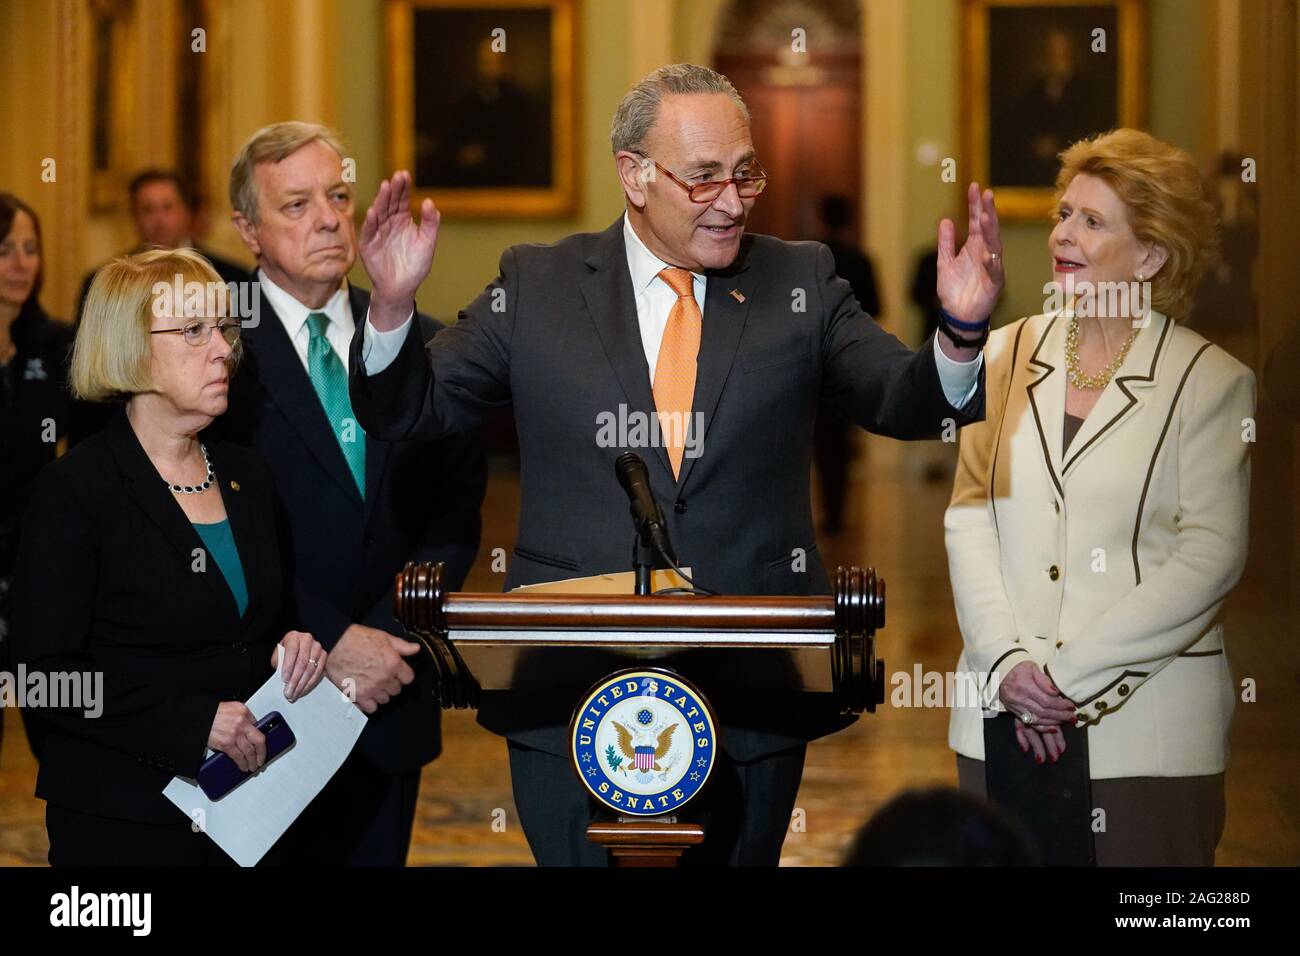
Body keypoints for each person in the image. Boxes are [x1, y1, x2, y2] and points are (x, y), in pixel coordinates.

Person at [351, 63, 1004, 866]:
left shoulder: (799, 280)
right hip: (570, 696)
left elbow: (905, 400)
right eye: (703, 179)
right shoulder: (538, 283)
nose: (732, 201)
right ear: (634, 175)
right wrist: (387, 311)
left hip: (751, 698)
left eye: (745, 174)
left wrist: (961, 334)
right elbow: (412, 411)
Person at [945, 128, 1254, 866]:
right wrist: (1011, 665)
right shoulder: (1001, 353)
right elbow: (969, 518)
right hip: (997, 716)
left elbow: (1210, 556)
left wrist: (1060, 681)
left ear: (1151, 256)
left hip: (1147, 739)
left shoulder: (1212, 383)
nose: (1063, 234)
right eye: (1063, 214)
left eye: (1092, 221)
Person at [216, 121, 485, 866]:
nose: (329, 219)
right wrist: (334, 639)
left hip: (389, 694)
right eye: (296, 205)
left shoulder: (424, 342)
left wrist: (386, 638)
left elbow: (455, 513)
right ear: (248, 230)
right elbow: (211, 533)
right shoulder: (215, 353)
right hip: (263, 696)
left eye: (338, 195)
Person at [9, 248, 328, 866]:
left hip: (251, 810)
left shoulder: (248, 475)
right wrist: (191, 723)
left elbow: (260, 625)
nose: (223, 350)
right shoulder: (77, 489)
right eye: (193, 330)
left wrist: (294, 645)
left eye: (224, 328)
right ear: (131, 349)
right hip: (124, 821)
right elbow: (43, 676)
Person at [70, 169, 252, 446]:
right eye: (147, 209)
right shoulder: (105, 283)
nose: (158, 219)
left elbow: (247, 368)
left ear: (188, 213)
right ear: (134, 216)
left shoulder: (234, 278)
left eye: (168, 207)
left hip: (222, 436)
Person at [0, 193, 72, 764]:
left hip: (36, 573)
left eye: (30, 248)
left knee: (58, 743)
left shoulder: (55, 344)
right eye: (4, 250)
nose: (22, 263)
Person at [813, 195, 881, 533]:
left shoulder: (810, 258)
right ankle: (837, 510)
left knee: (818, 441)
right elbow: (875, 308)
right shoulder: (860, 259)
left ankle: (824, 508)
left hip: (813, 362)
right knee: (840, 442)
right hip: (850, 361)